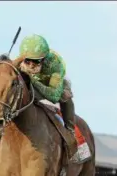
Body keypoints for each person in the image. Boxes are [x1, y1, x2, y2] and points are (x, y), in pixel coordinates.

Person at [17, 34, 79, 162]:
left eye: (36, 61)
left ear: (44, 59)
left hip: (52, 84)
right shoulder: (19, 62)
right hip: (35, 83)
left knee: (65, 96)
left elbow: (54, 96)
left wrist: (34, 82)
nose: (31, 65)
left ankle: (70, 131)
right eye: (27, 61)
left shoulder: (56, 65)